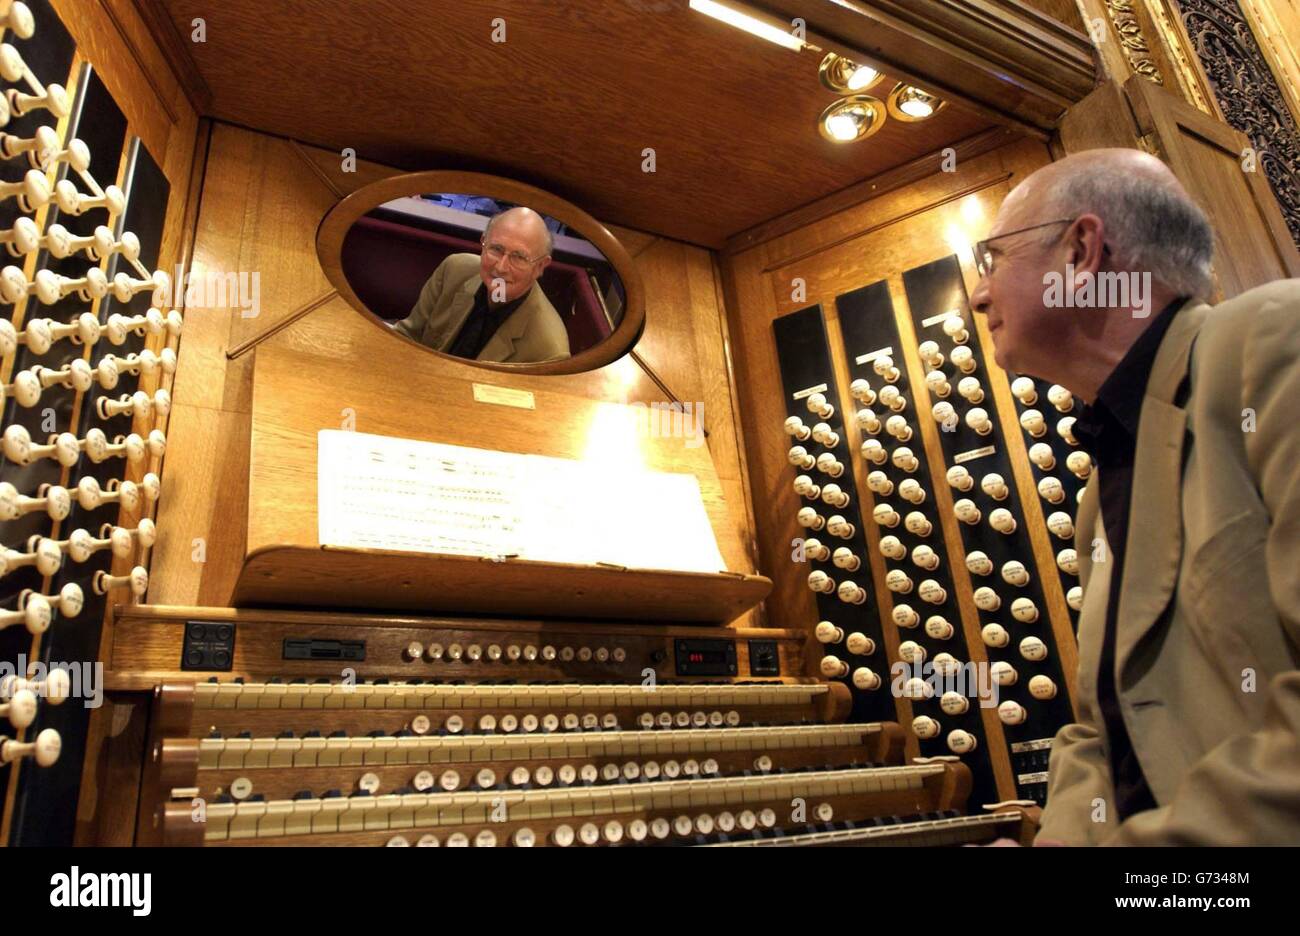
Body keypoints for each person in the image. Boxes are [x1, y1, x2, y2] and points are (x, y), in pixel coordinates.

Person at [968, 147, 1300, 845]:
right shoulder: (1101, 486)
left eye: (992, 258)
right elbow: (1096, 730)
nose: (978, 293)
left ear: (1082, 251)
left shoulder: (1274, 338)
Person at [392, 206, 571, 363]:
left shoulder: (550, 351)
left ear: (540, 267)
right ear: (483, 243)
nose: (501, 268)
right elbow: (407, 337)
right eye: (496, 249)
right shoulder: (453, 269)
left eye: (519, 257)